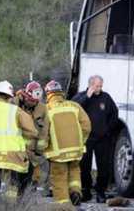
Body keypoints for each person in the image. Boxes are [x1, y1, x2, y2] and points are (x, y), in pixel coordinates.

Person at [72, 75, 119, 203]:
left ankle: (100, 192)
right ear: (90, 85)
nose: (99, 88)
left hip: (102, 139)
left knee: (103, 166)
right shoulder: (81, 96)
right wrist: (87, 96)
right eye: (97, 86)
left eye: (100, 86)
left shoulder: (106, 97)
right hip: (86, 138)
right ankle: (86, 190)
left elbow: (114, 114)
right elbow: (73, 109)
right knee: (84, 166)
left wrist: (107, 129)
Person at [44, 80, 91, 208]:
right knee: (74, 173)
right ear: (61, 93)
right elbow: (86, 126)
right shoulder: (74, 106)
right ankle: (75, 192)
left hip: (57, 154)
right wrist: (81, 142)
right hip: (76, 151)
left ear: (48, 94)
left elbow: (44, 132)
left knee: (59, 180)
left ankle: (64, 207)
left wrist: (43, 147)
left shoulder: (46, 109)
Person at [12, 81, 49, 194]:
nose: (33, 103)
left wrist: (39, 151)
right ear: (26, 95)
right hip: (15, 149)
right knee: (13, 179)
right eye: (30, 101)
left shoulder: (42, 108)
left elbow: (43, 131)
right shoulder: (14, 104)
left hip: (31, 152)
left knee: (28, 179)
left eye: (35, 101)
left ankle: (24, 202)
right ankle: (11, 204)